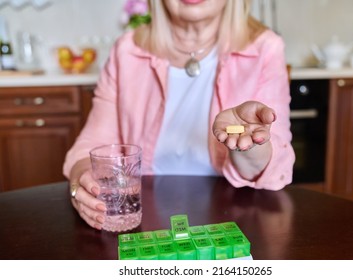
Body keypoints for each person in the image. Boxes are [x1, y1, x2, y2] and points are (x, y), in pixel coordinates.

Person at [63, 0, 295, 230]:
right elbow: (91, 144)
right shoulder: (127, 49)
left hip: (232, 220)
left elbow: (275, 168)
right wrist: (82, 182)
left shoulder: (266, 47)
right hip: (146, 222)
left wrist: (249, 142)